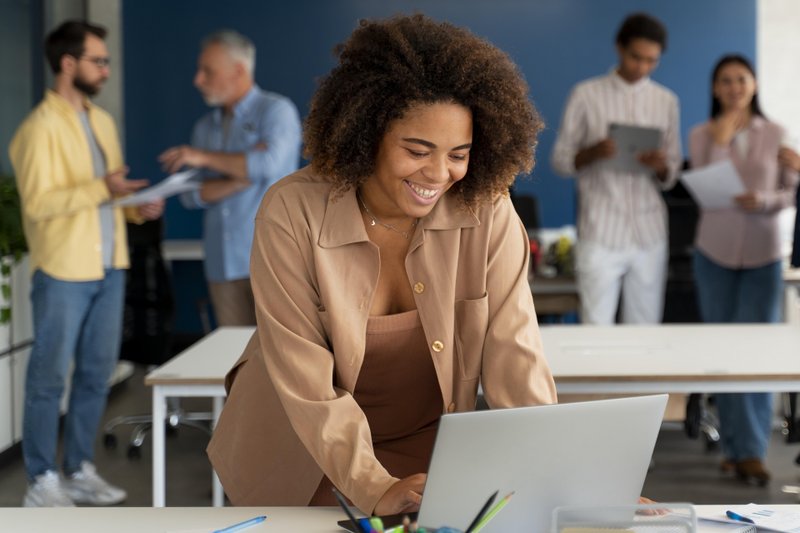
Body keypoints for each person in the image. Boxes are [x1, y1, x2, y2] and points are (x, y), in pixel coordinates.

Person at [207, 14, 557, 516]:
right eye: (417, 150)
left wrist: (559, 480)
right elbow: (304, 377)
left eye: (459, 154)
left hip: (427, 448)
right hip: (302, 450)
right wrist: (372, 486)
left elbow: (516, 357)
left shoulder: (488, 210)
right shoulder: (291, 211)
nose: (438, 174)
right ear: (367, 133)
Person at [8, 20, 164, 506]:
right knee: (48, 379)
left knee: (96, 374)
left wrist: (136, 208)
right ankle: (40, 480)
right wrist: (102, 188)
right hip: (63, 272)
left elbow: (106, 198)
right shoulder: (37, 129)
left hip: (109, 267)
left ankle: (77, 468)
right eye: (99, 61)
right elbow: (39, 204)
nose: (106, 70)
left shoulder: (102, 122)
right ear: (68, 63)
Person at [688, 54, 799, 485]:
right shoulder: (701, 134)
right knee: (723, 355)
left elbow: (790, 192)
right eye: (725, 81)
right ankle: (733, 449)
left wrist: (764, 200)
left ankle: (751, 450)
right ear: (714, 89)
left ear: (754, 85)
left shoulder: (776, 133)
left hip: (762, 253)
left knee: (756, 354)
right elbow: (703, 187)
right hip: (712, 252)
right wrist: (720, 141)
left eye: (741, 79)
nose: (733, 87)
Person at [159, 30, 302, 326]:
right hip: (221, 264)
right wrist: (239, 176)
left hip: (272, 260)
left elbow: (269, 165)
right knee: (233, 351)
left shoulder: (276, 111)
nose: (198, 80)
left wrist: (203, 158)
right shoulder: (204, 127)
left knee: (280, 349)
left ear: (238, 71)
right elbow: (190, 194)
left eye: (207, 71)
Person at [551, 13, 682, 325]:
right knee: (596, 327)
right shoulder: (586, 94)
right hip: (601, 229)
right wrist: (593, 152)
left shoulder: (666, 101)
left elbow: (673, 169)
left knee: (645, 327)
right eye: (636, 57)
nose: (642, 67)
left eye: (651, 60)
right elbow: (560, 160)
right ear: (619, 48)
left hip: (649, 231)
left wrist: (661, 167)